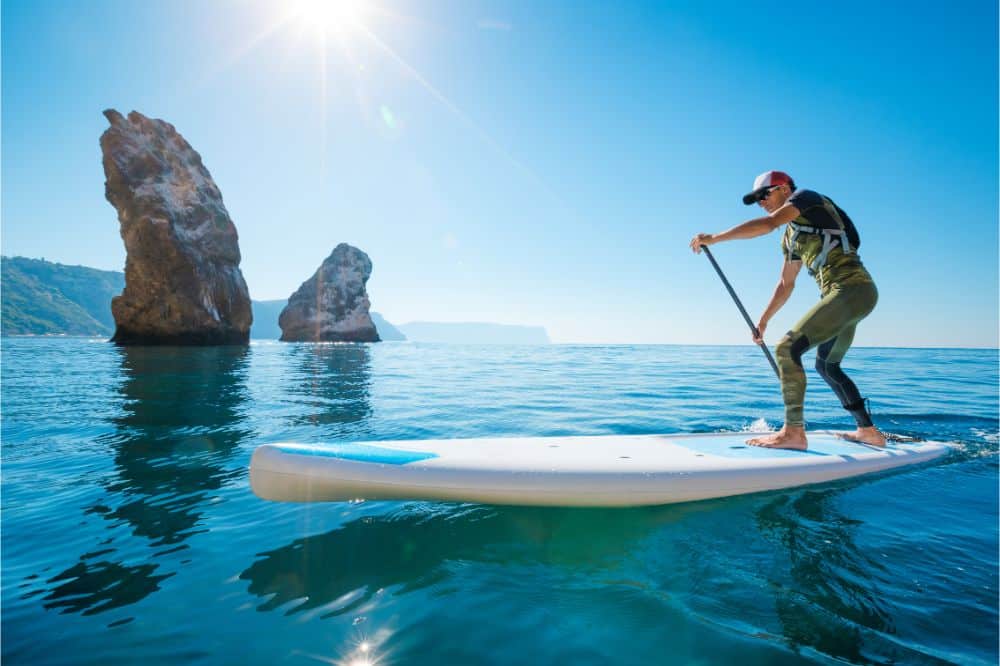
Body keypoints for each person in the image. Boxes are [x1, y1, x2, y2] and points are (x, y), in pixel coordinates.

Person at [689, 170, 885, 450]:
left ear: (783, 189)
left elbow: (769, 224)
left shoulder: (807, 197)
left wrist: (715, 238)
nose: (761, 202)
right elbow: (785, 284)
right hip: (846, 297)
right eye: (756, 200)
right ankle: (868, 431)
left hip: (853, 289)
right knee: (827, 366)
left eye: (763, 195)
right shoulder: (790, 238)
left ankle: (793, 433)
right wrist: (763, 322)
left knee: (786, 350)